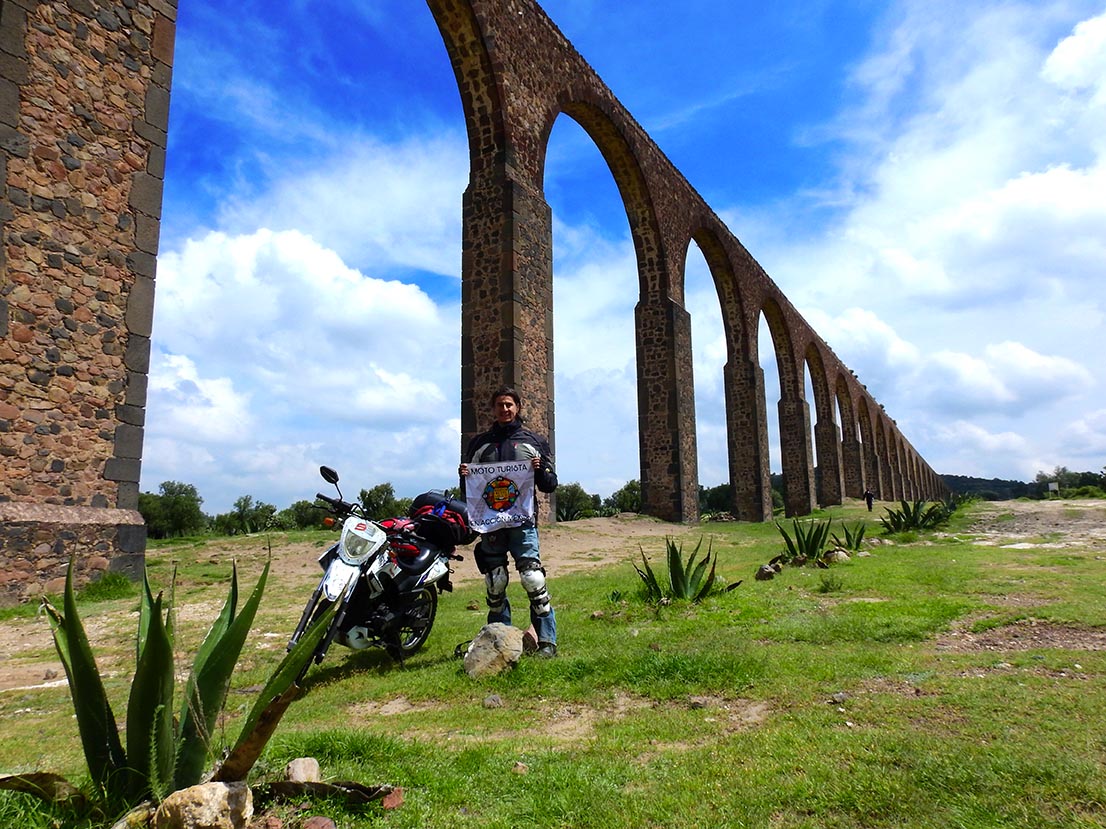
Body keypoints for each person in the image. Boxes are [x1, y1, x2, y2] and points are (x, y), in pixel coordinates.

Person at [459, 386, 559, 657]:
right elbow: (469, 489)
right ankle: (498, 639)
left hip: (523, 522)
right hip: (491, 525)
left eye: (509, 405)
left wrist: (541, 470)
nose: (505, 409)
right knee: (495, 581)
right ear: (493, 409)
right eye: (500, 405)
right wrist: (465, 474)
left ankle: (547, 641)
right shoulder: (479, 444)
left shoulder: (533, 442)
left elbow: (550, 484)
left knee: (533, 578)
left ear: (517, 408)